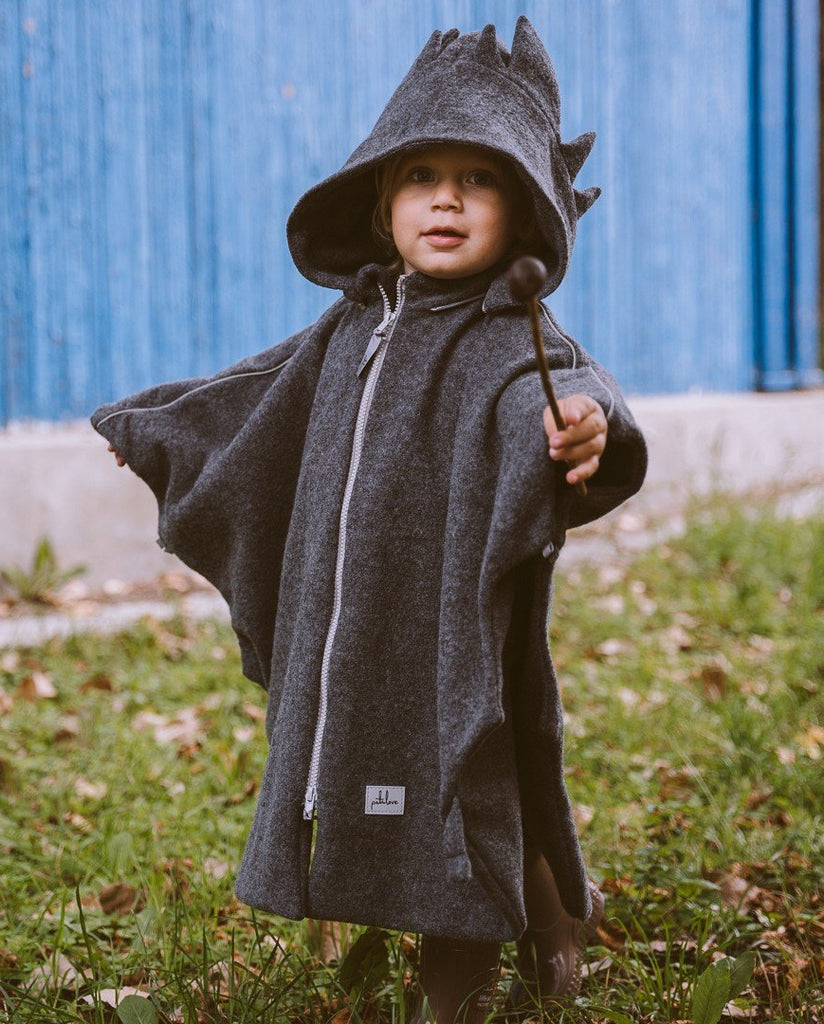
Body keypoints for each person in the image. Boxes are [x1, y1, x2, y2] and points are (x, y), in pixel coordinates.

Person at [93, 17, 646, 1022]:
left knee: (468, 781)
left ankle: (484, 971)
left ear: (519, 209)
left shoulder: (510, 330)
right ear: (381, 198)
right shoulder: (355, 323)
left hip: (454, 627)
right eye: (420, 173)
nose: (445, 196)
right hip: (352, 632)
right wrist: (162, 430)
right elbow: (257, 398)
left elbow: (579, 393)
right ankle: (537, 910)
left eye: (477, 178)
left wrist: (585, 431)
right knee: (387, 783)